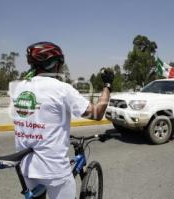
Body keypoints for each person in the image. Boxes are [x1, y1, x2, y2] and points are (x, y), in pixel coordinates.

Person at [10, 41, 114, 199]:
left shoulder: (18, 88)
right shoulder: (61, 89)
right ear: (54, 64)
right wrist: (107, 85)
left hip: (26, 167)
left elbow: (36, 118)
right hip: (53, 171)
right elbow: (97, 113)